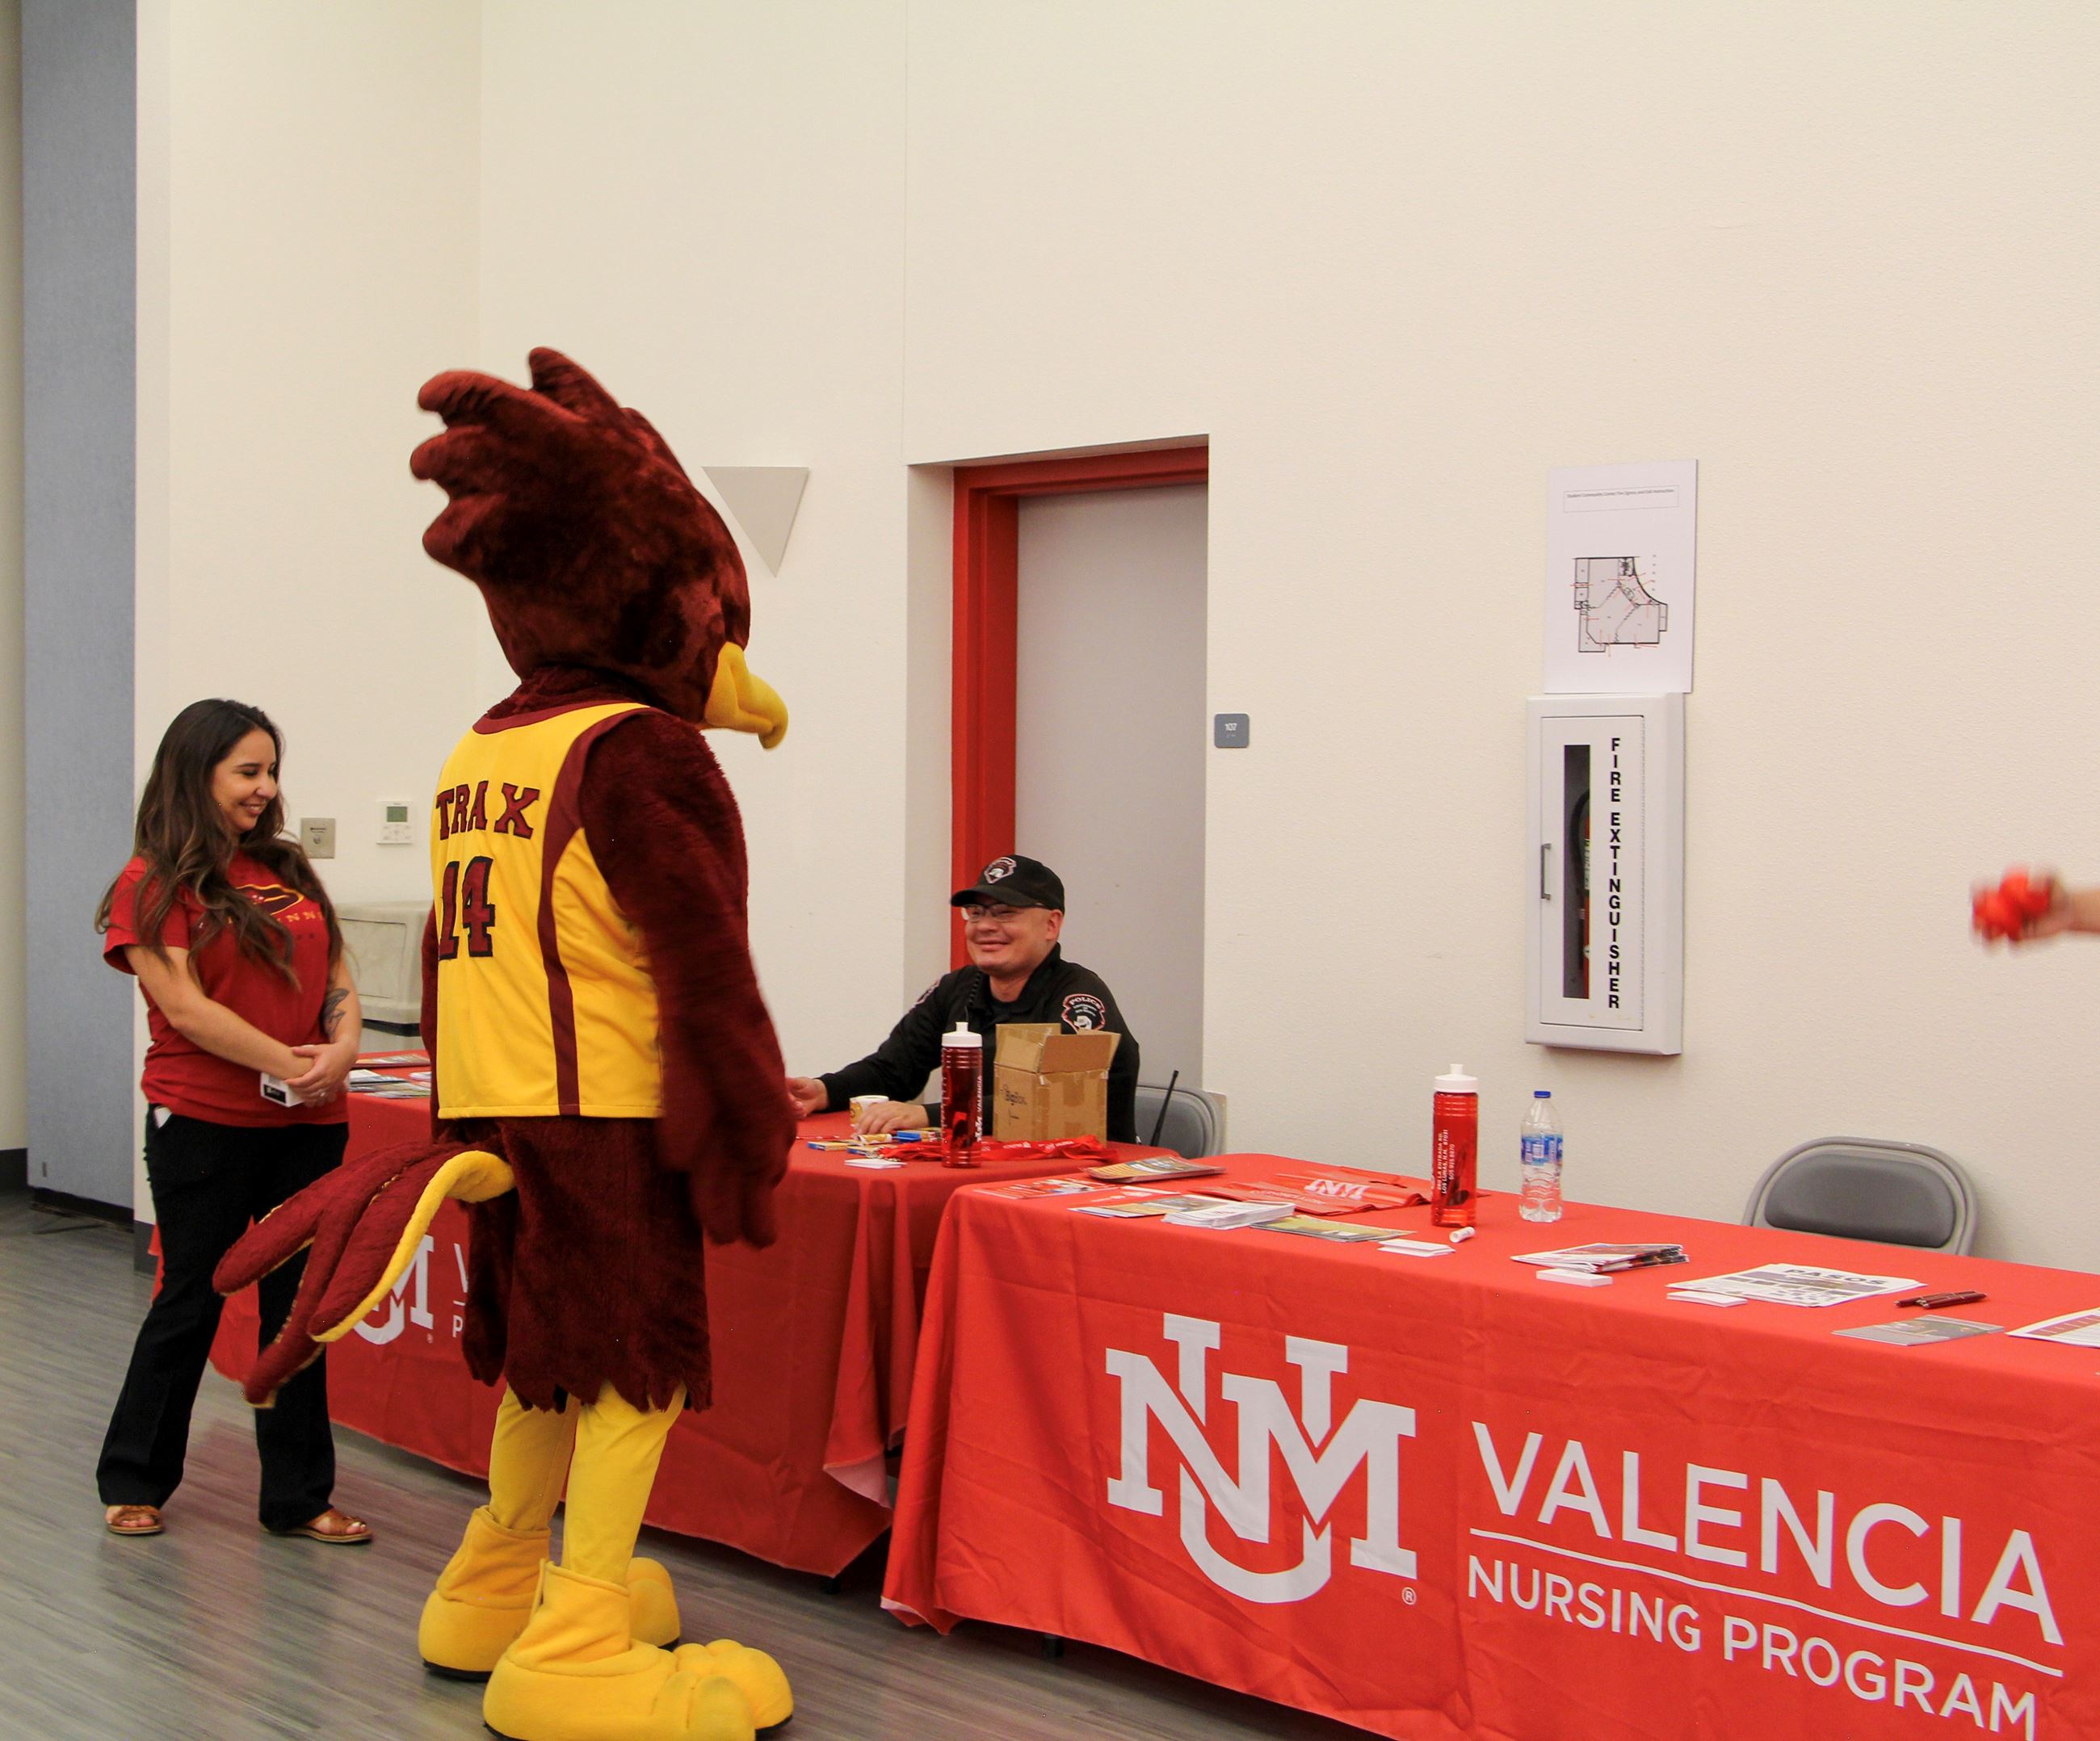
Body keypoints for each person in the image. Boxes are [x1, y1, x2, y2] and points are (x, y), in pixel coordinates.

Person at [94, 699, 369, 1543]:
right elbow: (183, 1005)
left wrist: (344, 1046)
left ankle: (298, 1494)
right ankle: (135, 1476)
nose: (265, 788)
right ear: (196, 774)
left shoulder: (286, 869)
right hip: (206, 1126)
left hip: (308, 1128)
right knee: (192, 1298)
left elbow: (338, 973)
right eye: (247, 771)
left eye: (270, 771)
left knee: (300, 1313)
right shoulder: (150, 882)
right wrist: (289, 1062)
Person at [788, 854, 1142, 1141]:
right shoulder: (955, 988)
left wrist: (927, 1115)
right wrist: (824, 1091)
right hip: (986, 1169)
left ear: (1051, 925)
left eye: (1005, 913)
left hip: (1080, 1179)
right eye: (975, 914)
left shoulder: (1078, 998)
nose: (985, 926)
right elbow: (894, 1069)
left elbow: (1045, 1100)